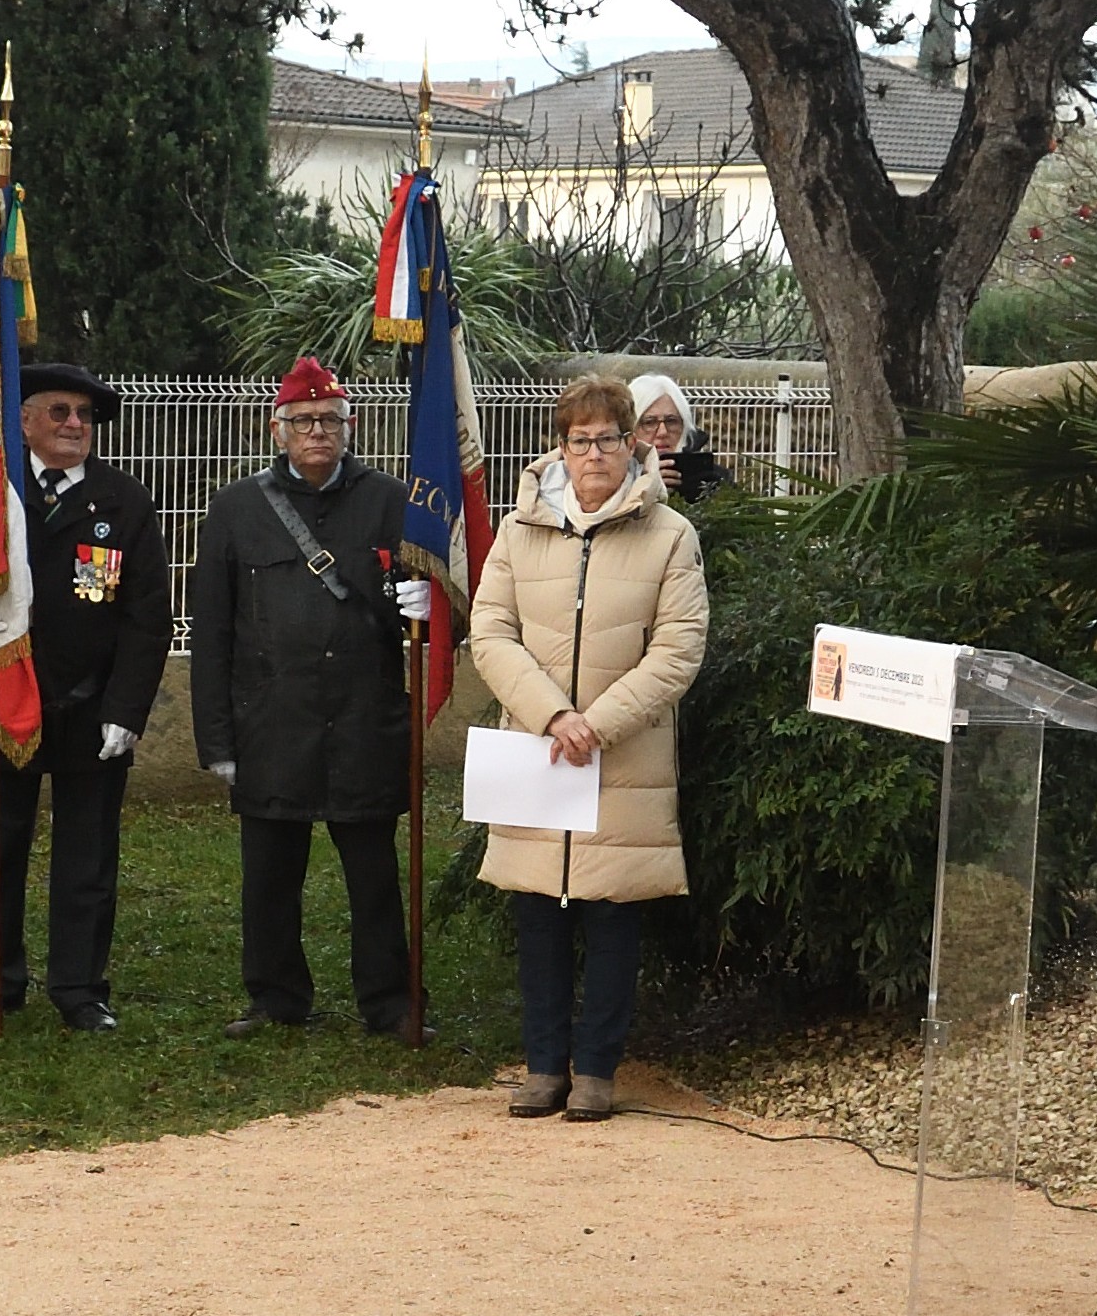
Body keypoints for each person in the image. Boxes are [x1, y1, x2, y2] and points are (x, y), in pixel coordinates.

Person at [471, 374, 710, 1120]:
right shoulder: (519, 530)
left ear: (633, 444)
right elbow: (491, 631)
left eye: (608, 438)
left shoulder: (671, 535)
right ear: (562, 448)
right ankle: (544, 1066)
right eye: (581, 440)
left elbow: (679, 648)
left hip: (623, 756)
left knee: (612, 915)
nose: (595, 454)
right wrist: (552, 716)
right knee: (539, 914)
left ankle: (598, 1070)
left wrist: (596, 724)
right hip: (540, 752)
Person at [0, 359, 168, 1031]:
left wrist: (127, 711)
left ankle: (81, 989)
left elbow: (148, 618)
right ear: (25, 421)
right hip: (5, 701)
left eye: (85, 415)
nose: (75, 424)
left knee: (87, 858)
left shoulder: (123, 500)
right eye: (60, 411)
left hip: (93, 709)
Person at [191, 355, 432, 1038]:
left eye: (329, 419)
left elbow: (428, 612)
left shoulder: (391, 502)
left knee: (374, 875)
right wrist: (217, 740)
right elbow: (212, 633)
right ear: (279, 431)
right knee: (269, 876)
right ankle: (275, 998)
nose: (317, 431)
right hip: (272, 722)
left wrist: (428, 604)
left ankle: (391, 1001)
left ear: (350, 427)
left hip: (364, 718)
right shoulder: (237, 509)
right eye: (302, 421)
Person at [625, 371, 734, 503]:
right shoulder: (611, 480)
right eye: (649, 422)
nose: (662, 432)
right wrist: (642, 488)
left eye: (671, 421)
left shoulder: (716, 479)